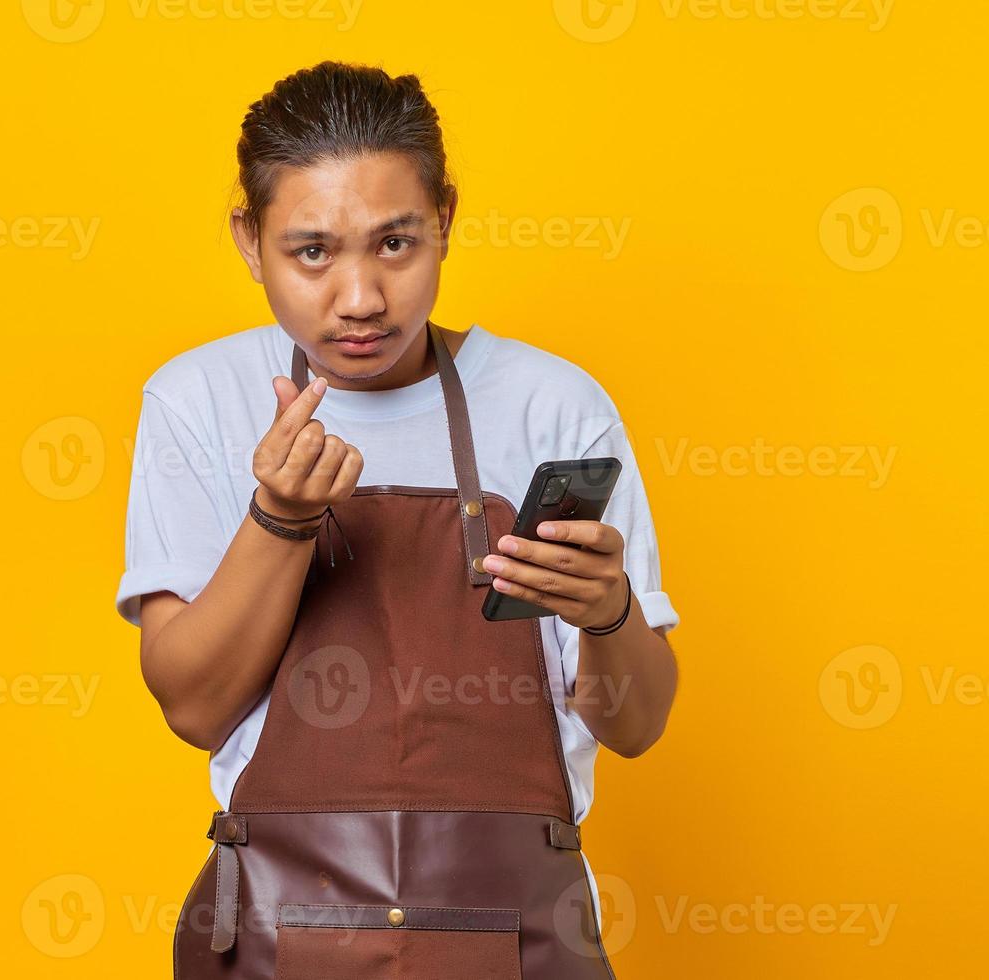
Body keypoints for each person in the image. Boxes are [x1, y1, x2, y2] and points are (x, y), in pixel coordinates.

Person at [116, 60, 679, 978]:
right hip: (274, 932)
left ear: (446, 223)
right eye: (311, 252)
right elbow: (192, 704)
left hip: (521, 935)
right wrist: (281, 520)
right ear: (248, 240)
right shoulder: (198, 401)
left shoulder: (552, 405)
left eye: (394, 244)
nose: (361, 298)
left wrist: (609, 612)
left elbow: (639, 723)